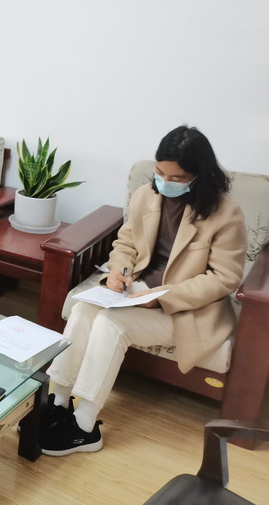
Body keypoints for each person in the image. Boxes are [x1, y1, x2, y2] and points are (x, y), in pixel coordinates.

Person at [40, 125, 246, 456]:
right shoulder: (146, 196)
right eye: (160, 172)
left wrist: (162, 297)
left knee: (111, 324)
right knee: (83, 308)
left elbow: (224, 278)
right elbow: (126, 244)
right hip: (135, 291)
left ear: (199, 176)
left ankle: (85, 426)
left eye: (177, 178)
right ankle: (58, 402)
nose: (165, 182)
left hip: (186, 309)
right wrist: (118, 273)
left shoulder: (225, 213)